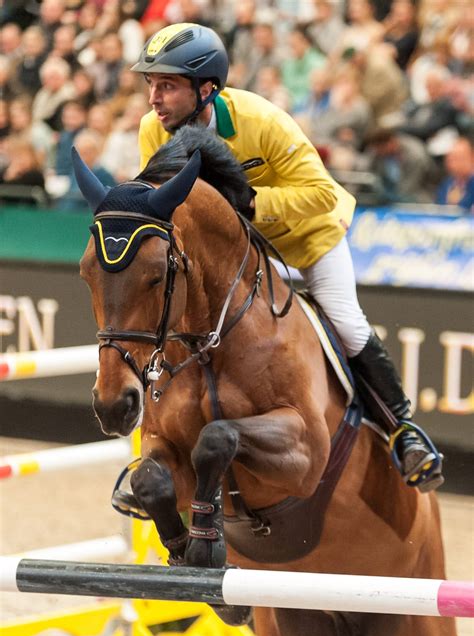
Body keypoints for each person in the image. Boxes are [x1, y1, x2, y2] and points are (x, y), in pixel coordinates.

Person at [130, 22, 443, 491]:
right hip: (242, 252)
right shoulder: (152, 131)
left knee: (344, 318)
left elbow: (319, 192)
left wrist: (253, 203)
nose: (154, 98)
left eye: (167, 85)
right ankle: (158, 445)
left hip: (307, 239)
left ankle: (403, 429)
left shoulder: (262, 120)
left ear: (207, 88)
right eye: (151, 84)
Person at [436, 136, 474, 210]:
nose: (452, 164)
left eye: (457, 158)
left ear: (472, 157)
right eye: (450, 159)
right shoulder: (446, 184)